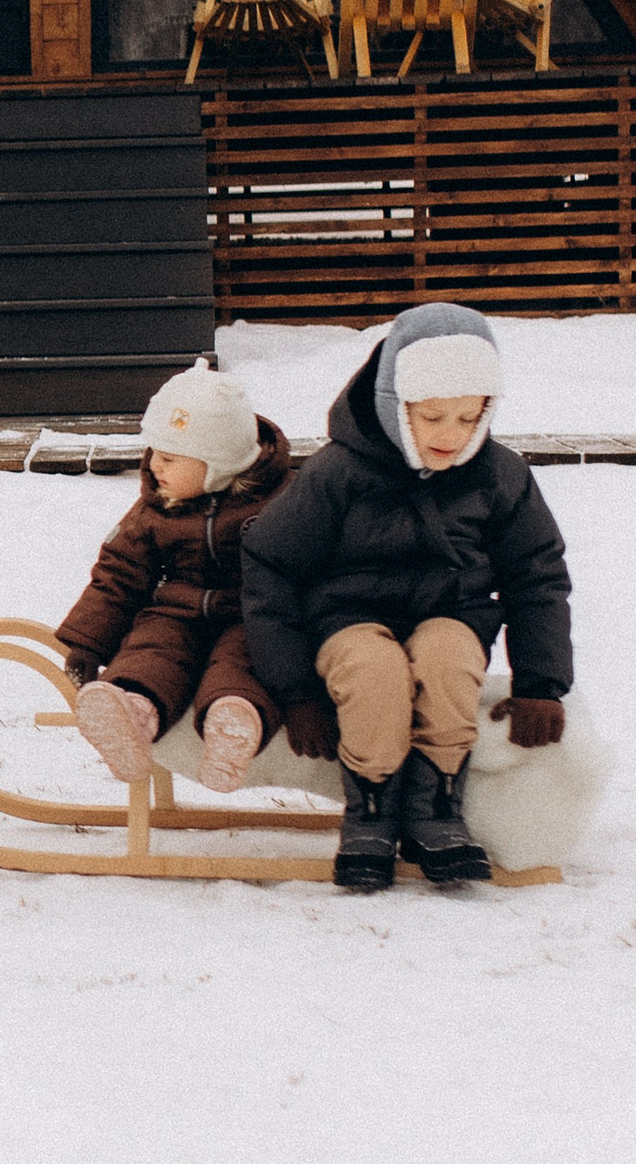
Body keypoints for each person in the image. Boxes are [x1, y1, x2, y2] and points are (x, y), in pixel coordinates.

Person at [241, 303, 573, 891]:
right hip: (348, 617)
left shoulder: (499, 475)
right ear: (397, 406)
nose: (452, 435)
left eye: (470, 418)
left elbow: (536, 574)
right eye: (434, 416)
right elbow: (270, 565)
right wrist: (295, 693)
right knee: (375, 671)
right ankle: (370, 808)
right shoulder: (336, 474)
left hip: (453, 613)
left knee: (448, 660)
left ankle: (436, 806)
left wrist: (541, 683)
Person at [55, 361, 291, 793]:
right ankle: (130, 712)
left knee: (245, 662)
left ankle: (233, 724)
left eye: (169, 457)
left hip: (250, 615)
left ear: (217, 464)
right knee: (153, 649)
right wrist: (88, 642)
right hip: (175, 612)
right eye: (153, 453)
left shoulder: (281, 501)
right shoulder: (156, 507)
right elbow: (119, 573)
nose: (153, 465)